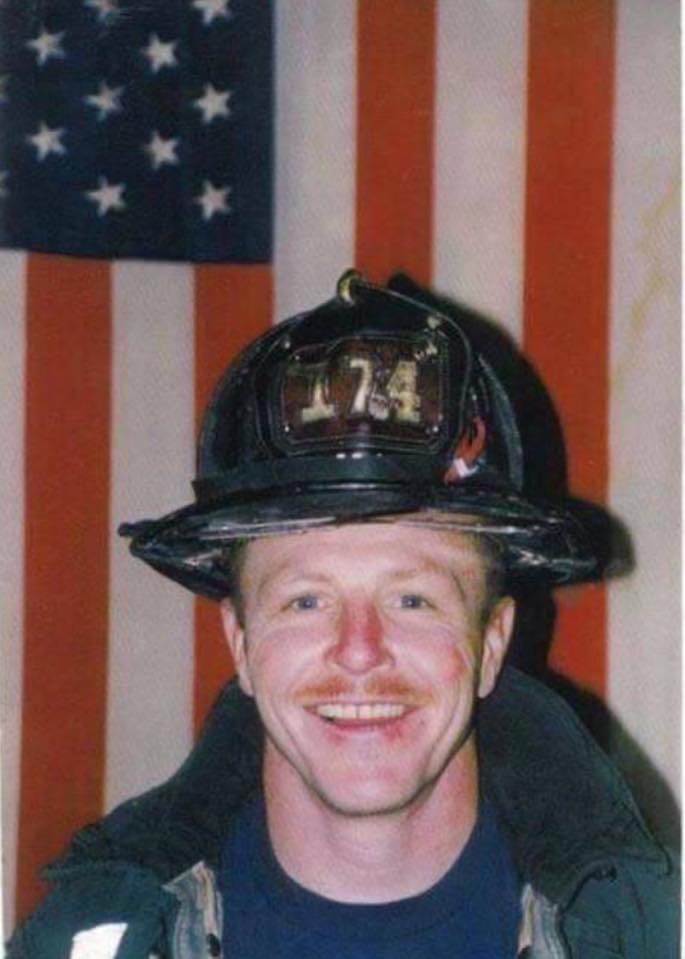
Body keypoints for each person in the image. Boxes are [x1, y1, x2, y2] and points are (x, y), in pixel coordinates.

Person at [8, 272, 677, 958]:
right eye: (307, 600)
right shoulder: (83, 939)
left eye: (411, 599)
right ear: (239, 642)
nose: (359, 650)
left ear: (492, 641)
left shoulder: (652, 935)